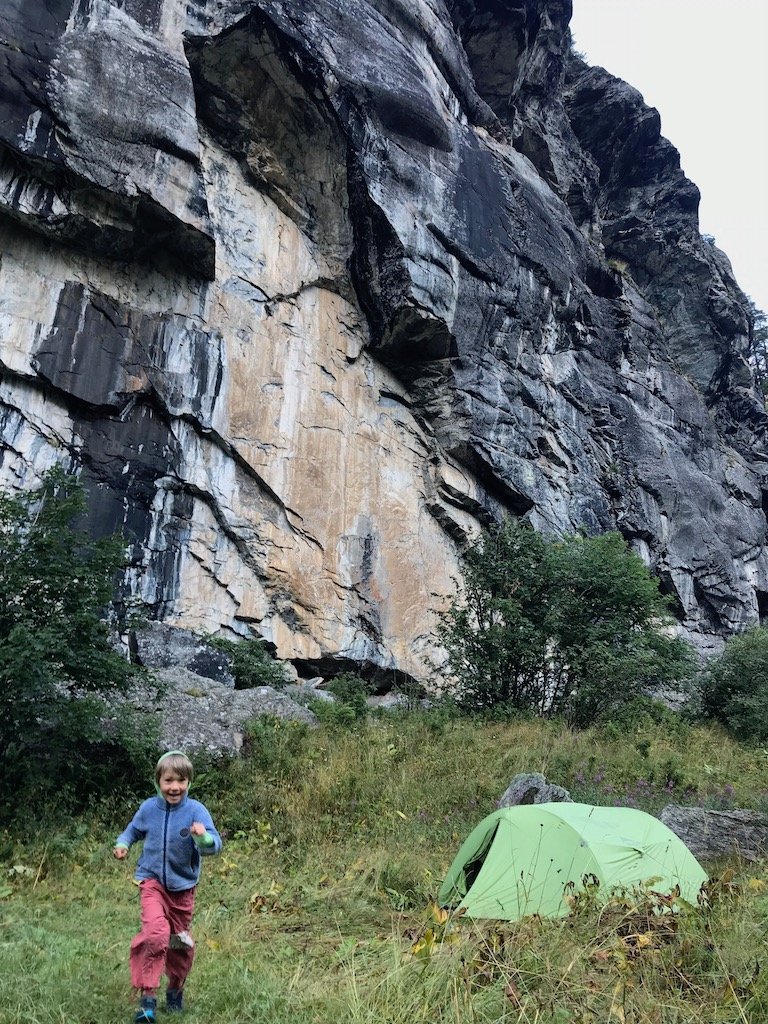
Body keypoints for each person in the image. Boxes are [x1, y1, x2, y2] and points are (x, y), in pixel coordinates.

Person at [114, 750, 222, 1022]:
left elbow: (215, 845)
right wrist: (123, 843)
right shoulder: (149, 808)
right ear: (158, 782)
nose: (175, 787)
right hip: (151, 882)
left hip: (182, 889)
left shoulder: (196, 811)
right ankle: (147, 999)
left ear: (189, 782)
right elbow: (133, 830)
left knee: (179, 943)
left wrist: (203, 838)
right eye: (168, 780)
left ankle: (175, 988)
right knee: (155, 933)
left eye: (181, 781)